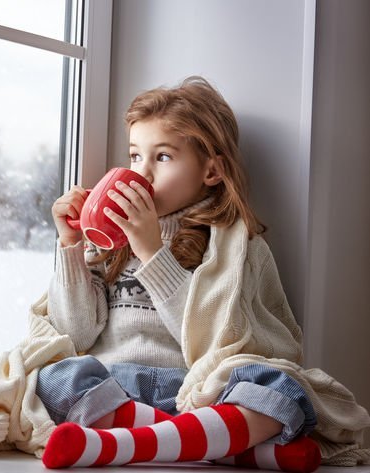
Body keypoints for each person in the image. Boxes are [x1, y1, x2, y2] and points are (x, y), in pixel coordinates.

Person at [36, 76, 368, 472]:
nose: (142, 174)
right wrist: (72, 244)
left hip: (196, 391)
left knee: (282, 388)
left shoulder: (235, 248)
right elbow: (76, 333)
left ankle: (126, 443)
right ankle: (230, 449)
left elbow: (219, 339)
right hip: (116, 385)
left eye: (162, 157)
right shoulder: (111, 243)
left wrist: (152, 250)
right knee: (56, 377)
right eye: (135, 156)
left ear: (211, 171)